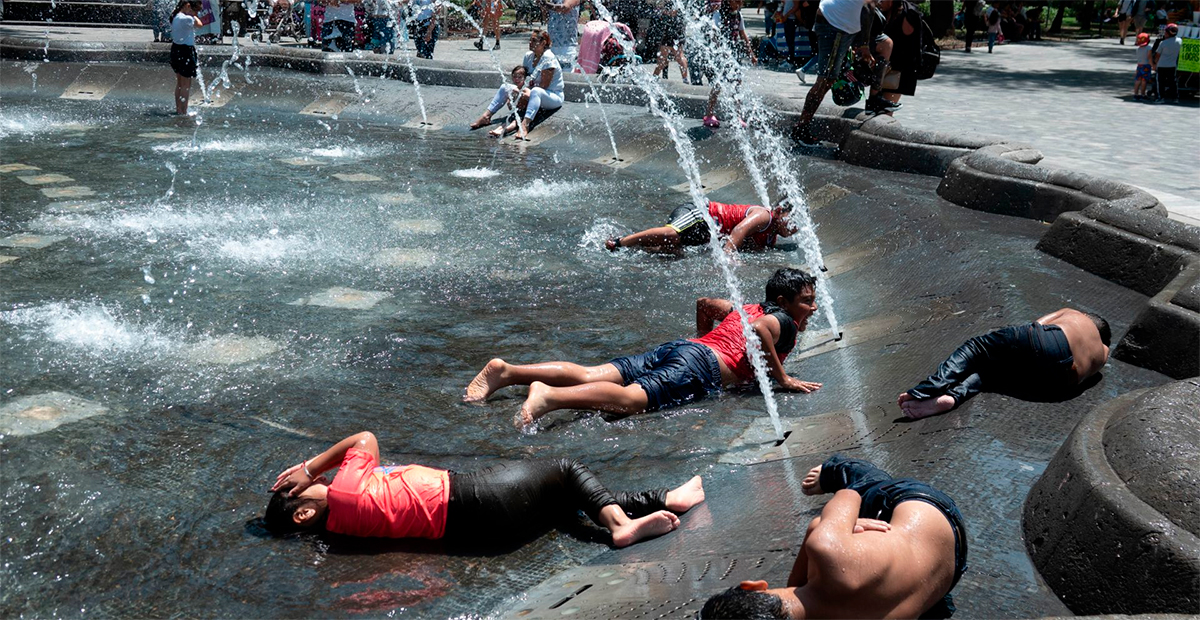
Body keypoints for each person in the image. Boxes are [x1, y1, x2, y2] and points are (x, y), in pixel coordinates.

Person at [464, 268, 823, 429]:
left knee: (591, 373)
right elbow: (762, 332)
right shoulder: (783, 321)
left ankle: (508, 372)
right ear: (783, 301)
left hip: (682, 350)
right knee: (631, 402)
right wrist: (783, 377)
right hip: (698, 366)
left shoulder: (746, 307)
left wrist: (699, 339)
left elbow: (705, 304)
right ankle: (548, 397)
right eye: (807, 301)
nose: (813, 308)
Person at [265, 431, 707, 548]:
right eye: (307, 491)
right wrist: (309, 467)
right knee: (565, 470)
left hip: (475, 530)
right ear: (303, 513)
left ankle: (667, 499)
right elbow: (363, 440)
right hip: (472, 497)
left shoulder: (341, 530)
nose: (319, 483)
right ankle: (619, 527)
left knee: (560, 503)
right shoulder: (342, 494)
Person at [699, 454, 967, 620]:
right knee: (866, 483)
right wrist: (835, 525)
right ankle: (832, 469)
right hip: (927, 509)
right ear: (753, 586)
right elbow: (849, 496)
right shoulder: (825, 547)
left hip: (949, 571)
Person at [898, 308, 1111, 419]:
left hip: (1051, 341)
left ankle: (926, 389)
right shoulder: (1103, 355)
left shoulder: (1074, 314)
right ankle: (953, 397)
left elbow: (1035, 326)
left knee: (976, 348)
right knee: (993, 374)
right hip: (1060, 382)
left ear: (1086, 317)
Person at [788, 0, 873, 146]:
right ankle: (801, 129)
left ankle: (802, 127)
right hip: (836, 24)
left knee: (827, 79)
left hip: (835, 21)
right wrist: (864, 44)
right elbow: (868, 8)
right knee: (825, 80)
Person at [605, 199, 796, 253]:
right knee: (672, 235)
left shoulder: (770, 237)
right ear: (778, 211)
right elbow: (739, 231)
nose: (794, 226)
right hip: (702, 215)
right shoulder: (765, 216)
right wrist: (729, 258)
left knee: (671, 250)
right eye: (792, 218)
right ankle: (620, 241)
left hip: (706, 235)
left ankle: (636, 246)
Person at [488, 31, 565, 139]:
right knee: (506, 87)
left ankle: (525, 126)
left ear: (543, 43)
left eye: (534, 41)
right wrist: (513, 96)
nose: (530, 43)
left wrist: (525, 96)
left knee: (536, 91)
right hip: (533, 93)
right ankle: (487, 116)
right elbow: (525, 81)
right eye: (530, 40)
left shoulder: (548, 58)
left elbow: (544, 86)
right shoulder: (528, 56)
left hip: (552, 96)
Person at [702, 0, 757, 128]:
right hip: (721, 54)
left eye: (741, 1)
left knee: (737, 84)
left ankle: (737, 116)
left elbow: (743, 35)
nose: (739, 3)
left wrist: (751, 54)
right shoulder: (718, 14)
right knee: (718, 84)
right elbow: (714, 33)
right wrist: (721, 49)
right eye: (736, 1)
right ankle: (709, 114)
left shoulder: (738, 15)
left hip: (734, 54)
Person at [866, 0, 920, 115]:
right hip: (884, 68)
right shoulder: (882, 12)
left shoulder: (908, 14)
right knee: (875, 109)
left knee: (885, 112)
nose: (879, 2)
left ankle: (881, 132)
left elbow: (908, 45)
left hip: (899, 71)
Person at [169, 0, 203, 116]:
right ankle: (184, 111)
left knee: (179, 83)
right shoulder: (187, 19)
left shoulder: (176, 17)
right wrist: (193, 15)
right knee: (186, 85)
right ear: (188, 6)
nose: (196, 13)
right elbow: (200, 24)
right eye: (196, 10)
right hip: (186, 52)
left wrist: (191, 12)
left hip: (175, 49)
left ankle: (178, 109)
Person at [470, 65, 529, 131]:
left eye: (519, 77)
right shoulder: (513, 90)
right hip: (517, 113)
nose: (517, 79)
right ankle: (486, 118)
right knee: (512, 118)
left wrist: (519, 93)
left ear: (525, 78)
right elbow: (510, 108)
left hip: (526, 112)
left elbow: (528, 99)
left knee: (513, 121)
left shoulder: (526, 89)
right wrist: (510, 100)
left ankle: (503, 130)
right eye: (514, 77)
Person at [650, 0, 688, 81]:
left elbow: (672, 12)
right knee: (676, 56)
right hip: (676, 29)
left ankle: (654, 77)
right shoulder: (678, 4)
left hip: (673, 28)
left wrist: (664, 11)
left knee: (674, 56)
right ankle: (685, 79)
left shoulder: (674, 5)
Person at [544, 0, 582, 71]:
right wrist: (542, 5)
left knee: (567, 78)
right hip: (553, 47)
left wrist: (545, 4)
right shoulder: (553, 1)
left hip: (567, 48)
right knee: (553, 79)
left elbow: (564, 8)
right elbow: (546, 18)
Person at [1152, 23, 1182, 103]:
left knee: (1160, 82)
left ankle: (1161, 97)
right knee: (1173, 82)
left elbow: (1157, 55)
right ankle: (1175, 98)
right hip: (1172, 65)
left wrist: (1154, 64)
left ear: (1168, 33)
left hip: (1162, 65)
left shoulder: (1163, 43)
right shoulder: (1179, 41)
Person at [1134, 31, 1153, 100]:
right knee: (1144, 81)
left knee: (1138, 80)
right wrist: (1152, 65)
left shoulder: (1138, 49)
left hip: (1139, 65)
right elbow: (1149, 57)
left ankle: (1135, 94)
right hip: (1146, 66)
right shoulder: (1149, 48)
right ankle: (1143, 94)